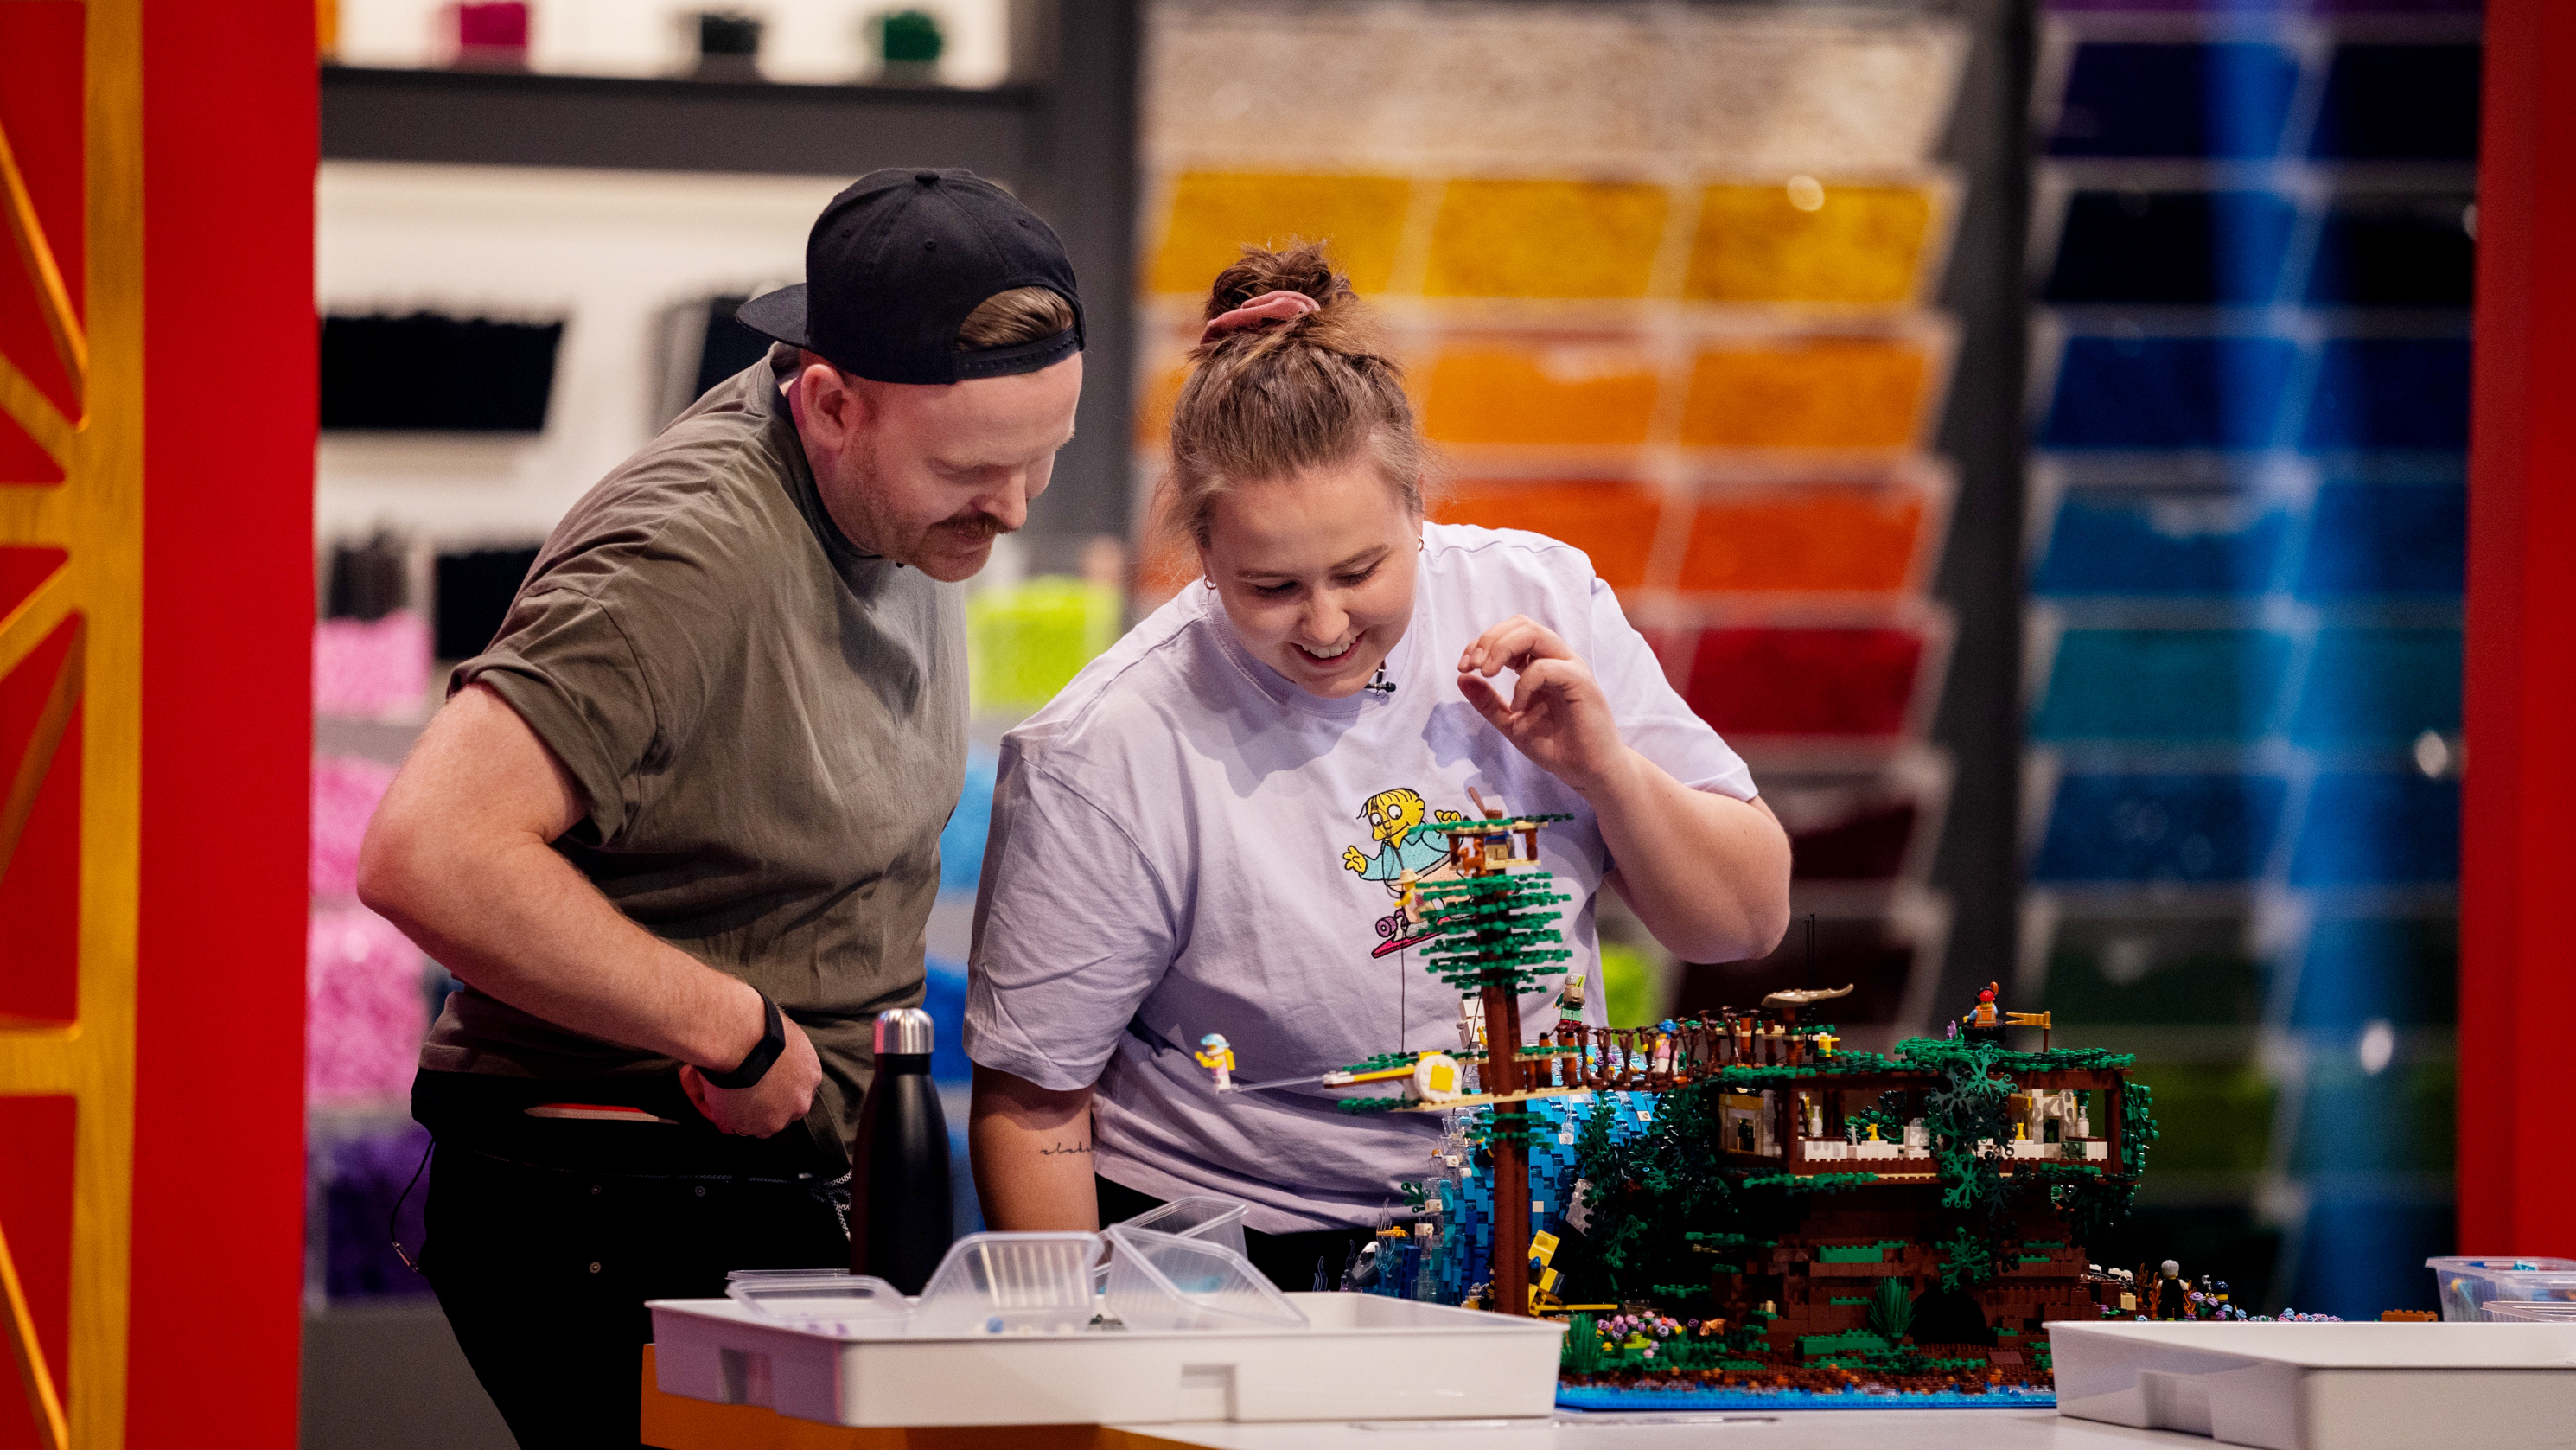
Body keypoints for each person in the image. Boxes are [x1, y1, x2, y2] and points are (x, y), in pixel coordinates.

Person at [357, 168, 1084, 1449]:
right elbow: (431, 852)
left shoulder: (880, 491)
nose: (1015, 509)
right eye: (975, 469)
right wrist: (734, 1028)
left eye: (1043, 460)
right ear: (830, 403)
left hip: (756, 1166)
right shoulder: (685, 550)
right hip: (616, 1189)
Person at [963, 244, 1791, 1288]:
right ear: (1201, 553)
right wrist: (1075, 1349)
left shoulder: (1541, 599)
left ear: (1416, 507)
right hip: (1233, 1259)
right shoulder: (1107, 745)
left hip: (1536, 1231)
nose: (1324, 625)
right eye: (1268, 587)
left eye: (1360, 571)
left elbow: (1744, 922)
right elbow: (1035, 1099)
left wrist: (1606, 771)